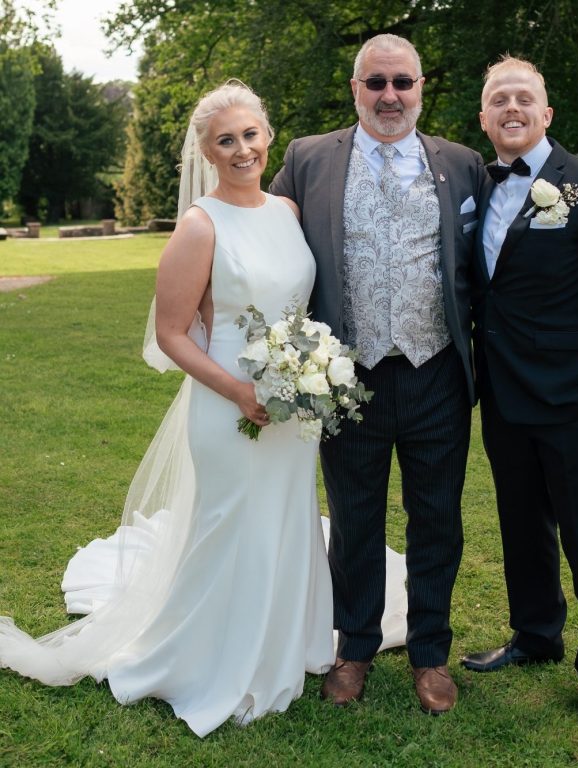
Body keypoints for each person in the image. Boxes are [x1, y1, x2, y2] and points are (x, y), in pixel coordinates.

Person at [0, 81, 406, 737]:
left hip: (293, 408)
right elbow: (172, 333)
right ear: (207, 153)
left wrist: (308, 372)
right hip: (230, 408)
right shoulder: (199, 225)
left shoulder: (288, 211)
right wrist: (243, 391)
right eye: (226, 141)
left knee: (284, 522)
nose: (242, 149)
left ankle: (285, 644)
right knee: (230, 530)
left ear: (267, 136)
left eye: (250, 135)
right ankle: (214, 661)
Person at [270, 34, 486, 714]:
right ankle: (355, 646)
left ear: (421, 88)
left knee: (437, 521)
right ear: (355, 89)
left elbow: (488, 263)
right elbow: (264, 236)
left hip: (437, 375)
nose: (390, 96)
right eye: (376, 83)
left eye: (402, 82)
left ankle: (430, 654)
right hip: (349, 378)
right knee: (356, 520)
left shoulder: (463, 163)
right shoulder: (308, 158)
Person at [462, 56, 578, 746]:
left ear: (546, 114)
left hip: (576, 402)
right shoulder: (472, 186)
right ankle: (535, 633)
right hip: (504, 398)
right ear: (484, 118)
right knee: (522, 527)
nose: (511, 107)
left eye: (524, 98)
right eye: (498, 99)